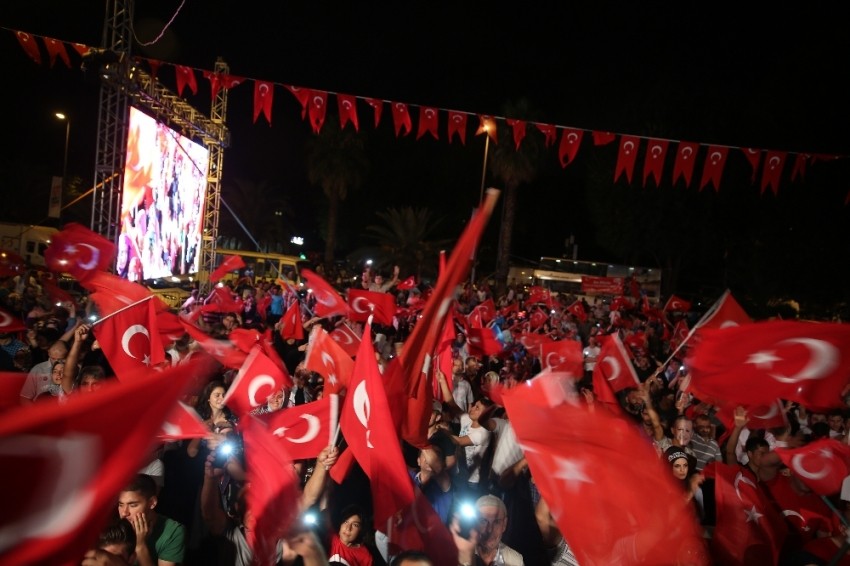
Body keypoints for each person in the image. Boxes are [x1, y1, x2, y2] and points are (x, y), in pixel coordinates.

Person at [117, 473, 186, 566]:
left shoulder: (173, 531)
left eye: (133, 505)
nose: (124, 512)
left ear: (152, 503)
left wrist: (140, 546)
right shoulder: (114, 526)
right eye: (121, 505)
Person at [452, 494, 524, 566]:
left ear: (504, 525)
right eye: (483, 521)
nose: (489, 529)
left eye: (496, 522)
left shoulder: (515, 561)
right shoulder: (458, 555)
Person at [19, 338, 67, 403]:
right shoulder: (38, 369)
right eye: (53, 358)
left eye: (60, 359)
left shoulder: (73, 370)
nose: (56, 362)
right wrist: (36, 413)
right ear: (48, 353)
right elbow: (25, 397)